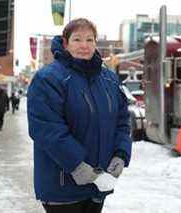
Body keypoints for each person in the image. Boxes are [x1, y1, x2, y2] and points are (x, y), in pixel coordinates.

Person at [27, 18, 132, 213]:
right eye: (77, 39)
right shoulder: (48, 79)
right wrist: (77, 165)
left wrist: (121, 154)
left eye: (90, 39)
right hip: (62, 185)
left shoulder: (108, 79)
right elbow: (46, 129)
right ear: (65, 43)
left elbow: (122, 121)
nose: (84, 45)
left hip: (98, 184)